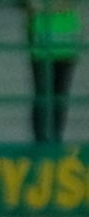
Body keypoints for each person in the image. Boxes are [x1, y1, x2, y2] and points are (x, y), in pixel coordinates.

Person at [27, 1, 81, 142]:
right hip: (43, 44)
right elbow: (32, 4)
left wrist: (46, 7)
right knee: (43, 95)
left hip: (65, 44)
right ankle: (41, 143)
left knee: (60, 96)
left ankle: (56, 140)